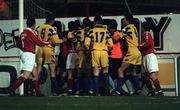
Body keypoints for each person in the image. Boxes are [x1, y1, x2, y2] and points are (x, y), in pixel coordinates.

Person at [9, 18, 50, 96]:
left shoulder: (23, 33)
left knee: (35, 75)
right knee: (26, 75)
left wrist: (24, 49)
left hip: (25, 54)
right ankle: (11, 89)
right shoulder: (30, 33)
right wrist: (48, 42)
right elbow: (38, 42)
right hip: (29, 55)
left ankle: (38, 93)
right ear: (33, 24)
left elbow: (18, 44)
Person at [36, 15, 65, 96]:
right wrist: (63, 40)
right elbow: (55, 41)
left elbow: (35, 37)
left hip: (40, 49)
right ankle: (55, 91)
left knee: (38, 70)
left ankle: (35, 89)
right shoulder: (52, 29)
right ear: (52, 21)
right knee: (52, 71)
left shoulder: (39, 27)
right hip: (48, 49)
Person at [84, 16, 113, 96]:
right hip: (104, 52)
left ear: (95, 22)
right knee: (105, 71)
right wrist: (107, 49)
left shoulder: (91, 31)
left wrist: (89, 51)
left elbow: (86, 44)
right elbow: (111, 44)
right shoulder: (106, 31)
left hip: (95, 51)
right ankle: (107, 91)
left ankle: (96, 92)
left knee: (96, 72)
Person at [116, 14, 142, 95]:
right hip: (137, 52)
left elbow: (116, 39)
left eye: (123, 19)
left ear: (127, 20)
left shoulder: (126, 28)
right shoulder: (134, 28)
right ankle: (138, 90)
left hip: (131, 52)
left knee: (120, 70)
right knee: (133, 72)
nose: (123, 20)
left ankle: (118, 90)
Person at [140, 22, 164, 96]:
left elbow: (148, 43)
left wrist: (140, 45)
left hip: (149, 56)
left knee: (152, 75)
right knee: (144, 76)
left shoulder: (146, 34)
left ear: (143, 27)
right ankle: (151, 90)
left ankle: (159, 91)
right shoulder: (146, 34)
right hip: (146, 56)